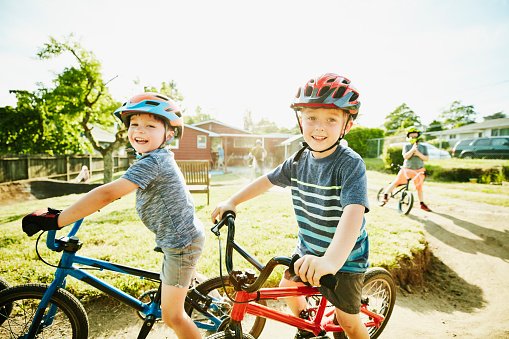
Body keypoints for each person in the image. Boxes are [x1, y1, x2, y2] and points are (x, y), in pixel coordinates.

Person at [21, 93, 205, 339]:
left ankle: (197, 297)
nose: (140, 130)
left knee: (172, 315)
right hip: (177, 236)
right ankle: (206, 291)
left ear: (168, 134)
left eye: (151, 125)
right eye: (135, 124)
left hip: (181, 243)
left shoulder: (153, 162)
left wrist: (57, 220)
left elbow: (108, 193)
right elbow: (108, 191)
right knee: (177, 286)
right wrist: (72, 211)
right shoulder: (152, 158)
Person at [211, 73, 370, 339]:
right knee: (289, 291)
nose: (319, 127)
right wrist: (233, 201)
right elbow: (267, 181)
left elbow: (353, 213)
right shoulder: (298, 160)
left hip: (345, 259)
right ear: (300, 120)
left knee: (348, 322)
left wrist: (332, 260)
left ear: (347, 125)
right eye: (311, 118)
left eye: (331, 119)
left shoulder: (350, 164)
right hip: (307, 250)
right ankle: (309, 329)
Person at [381, 126, 432, 212]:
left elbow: (426, 158)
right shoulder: (407, 146)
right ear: (408, 136)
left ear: (418, 135)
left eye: (414, 135)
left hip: (419, 171)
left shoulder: (423, 147)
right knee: (396, 182)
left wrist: (418, 153)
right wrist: (412, 150)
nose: (413, 136)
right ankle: (385, 195)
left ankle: (422, 204)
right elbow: (405, 156)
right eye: (411, 135)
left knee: (419, 188)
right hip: (407, 170)